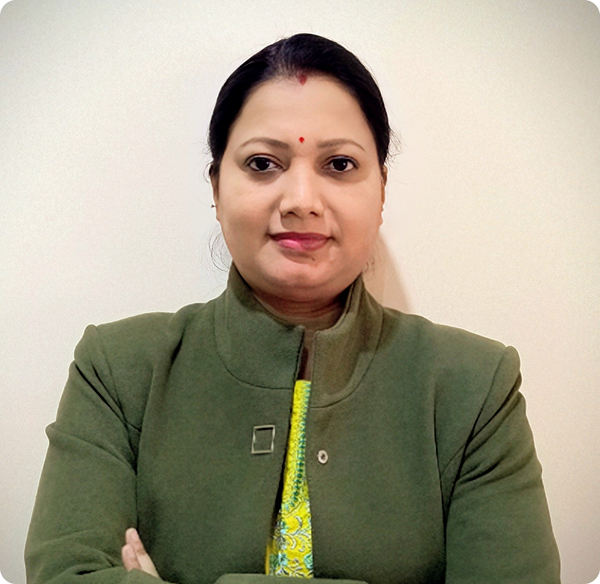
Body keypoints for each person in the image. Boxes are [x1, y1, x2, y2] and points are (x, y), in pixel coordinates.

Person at [25, 33, 561, 584]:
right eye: (262, 163)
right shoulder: (119, 370)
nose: (301, 200)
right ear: (217, 186)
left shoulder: (474, 388)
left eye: (339, 164)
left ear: (381, 191)